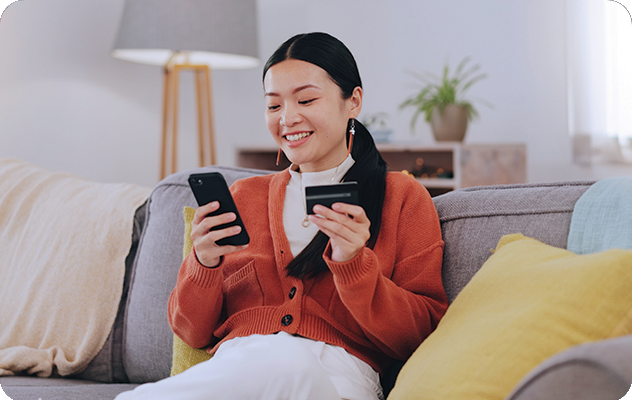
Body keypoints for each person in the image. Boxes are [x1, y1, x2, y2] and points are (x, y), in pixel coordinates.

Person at [115, 31, 448, 400]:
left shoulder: (401, 197)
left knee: (285, 360)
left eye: (306, 99)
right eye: (274, 106)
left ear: (352, 102)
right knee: (271, 359)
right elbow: (192, 332)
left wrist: (354, 265)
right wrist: (204, 264)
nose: (287, 119)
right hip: (239, 368)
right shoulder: (245, 197)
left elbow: (420, 334)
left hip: (336, 380)